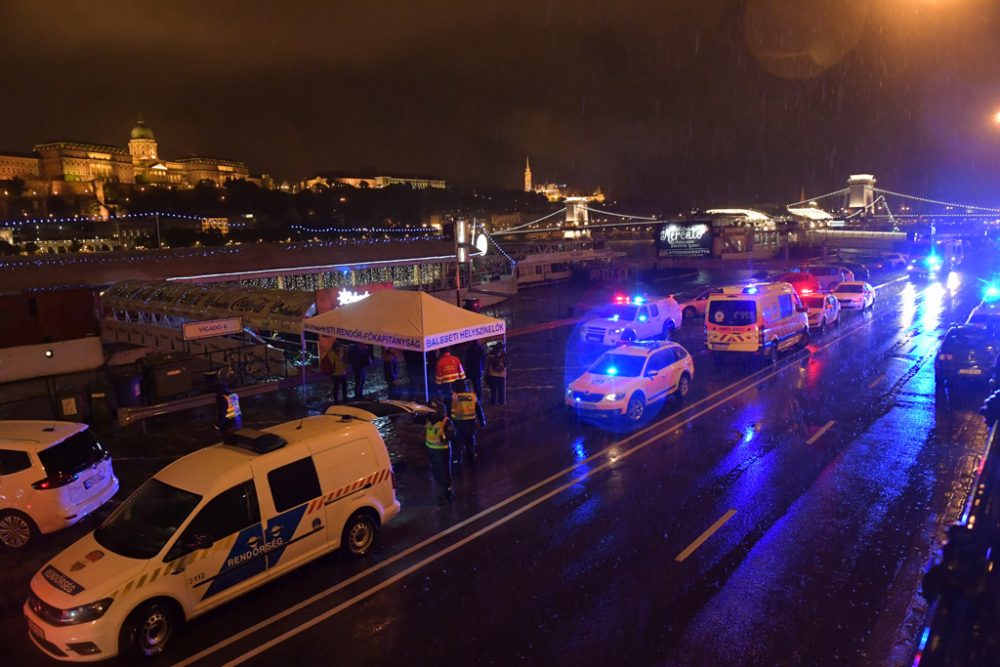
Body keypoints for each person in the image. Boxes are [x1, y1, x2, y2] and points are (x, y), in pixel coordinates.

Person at [424, 403, 456, 505]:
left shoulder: (446, 421)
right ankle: (445, 492)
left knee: (444, 473)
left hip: (442, 451)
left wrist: (444, 437)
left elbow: (452, 435)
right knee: (436, 473)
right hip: (431, 450)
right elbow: (416, 420)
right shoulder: (428, 419)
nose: (432, 411)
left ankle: (446, 495)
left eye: (434, 409)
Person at [449, 379, 485, 466]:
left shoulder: (453, 397)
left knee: (457, 445)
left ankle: (456, 466)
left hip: (457, 425)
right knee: (470, 443)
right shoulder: (473, 397)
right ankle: (471, 462)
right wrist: (482, 421)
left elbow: (447, 410)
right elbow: (479, 410)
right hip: (470, 424)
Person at [486, 341, 507, 406]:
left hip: (493, 374)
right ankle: (501, 402)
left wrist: (487, 374)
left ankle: (493, 402)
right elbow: (506, 364)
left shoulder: (490, 355)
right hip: (501, 374)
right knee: (501, 389)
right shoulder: (504, 354)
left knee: (493, 390)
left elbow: (488, 364)